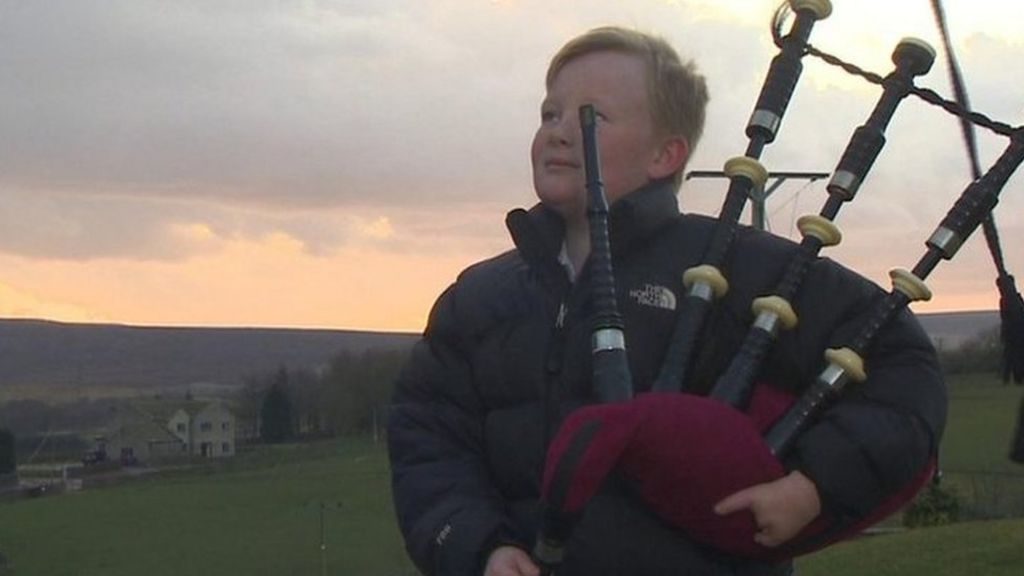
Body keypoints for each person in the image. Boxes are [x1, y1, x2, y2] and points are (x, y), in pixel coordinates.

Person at [388, 26, 946, 576]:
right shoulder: (478, 298)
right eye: (549, 113)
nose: (557, 132)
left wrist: (813, 486)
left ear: (664, 155)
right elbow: (429, 437)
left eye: (590, 117)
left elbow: (899, 363)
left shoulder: (742, 268)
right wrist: (477, 546)